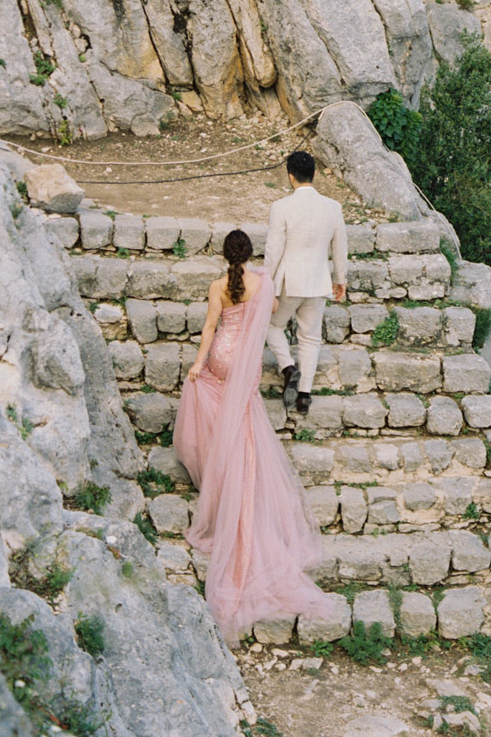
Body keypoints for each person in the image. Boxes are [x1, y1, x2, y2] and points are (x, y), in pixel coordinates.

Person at [173, 228, 333, 642]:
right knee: (241, 419)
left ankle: (215, 466)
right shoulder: (263, 284)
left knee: (202, 390)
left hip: (223, 360)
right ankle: (235, 466)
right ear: (249, 254)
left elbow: (210, 328)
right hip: (245, 366)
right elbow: (272, 311)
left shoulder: (217, 285)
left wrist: (197, 363)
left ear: (224, 254)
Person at [264, 149, 348, 416]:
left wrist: (267, 282)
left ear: (290, 177)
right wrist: (340, 279)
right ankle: (304, 397)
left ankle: (289, 368)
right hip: (318, 280)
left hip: (290, 281)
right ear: (314, 174)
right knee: (311, 338)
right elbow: (340, 247)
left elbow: (273, 249)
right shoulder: (333, 207)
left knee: (271, 325)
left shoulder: (281, 207)